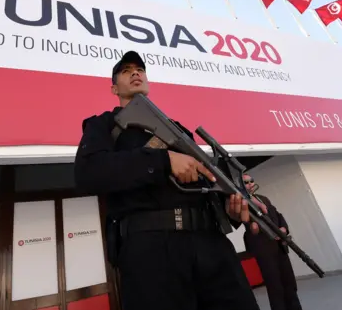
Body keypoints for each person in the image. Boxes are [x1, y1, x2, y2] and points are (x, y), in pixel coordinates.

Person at [74, 50, 265, 310]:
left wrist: (232, 207)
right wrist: (163, 162)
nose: (135, 73)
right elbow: (89, 173)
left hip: (211, 244)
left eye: (140, 69)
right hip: (151, 253)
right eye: (126, 70)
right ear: (113, 88)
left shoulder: (178, 129)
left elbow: (204, 184)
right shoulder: (104, 125)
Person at [243, 180, 303, 310]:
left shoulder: (263, 198)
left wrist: (284, 229)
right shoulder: (242, 203)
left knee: (289, 283)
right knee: (275, 286)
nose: (250, 183)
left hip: (280, 247)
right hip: (264, 249)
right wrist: (253, 227)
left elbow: (278, 215)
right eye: (246, 182)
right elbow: (250, 227)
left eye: (251, 180)